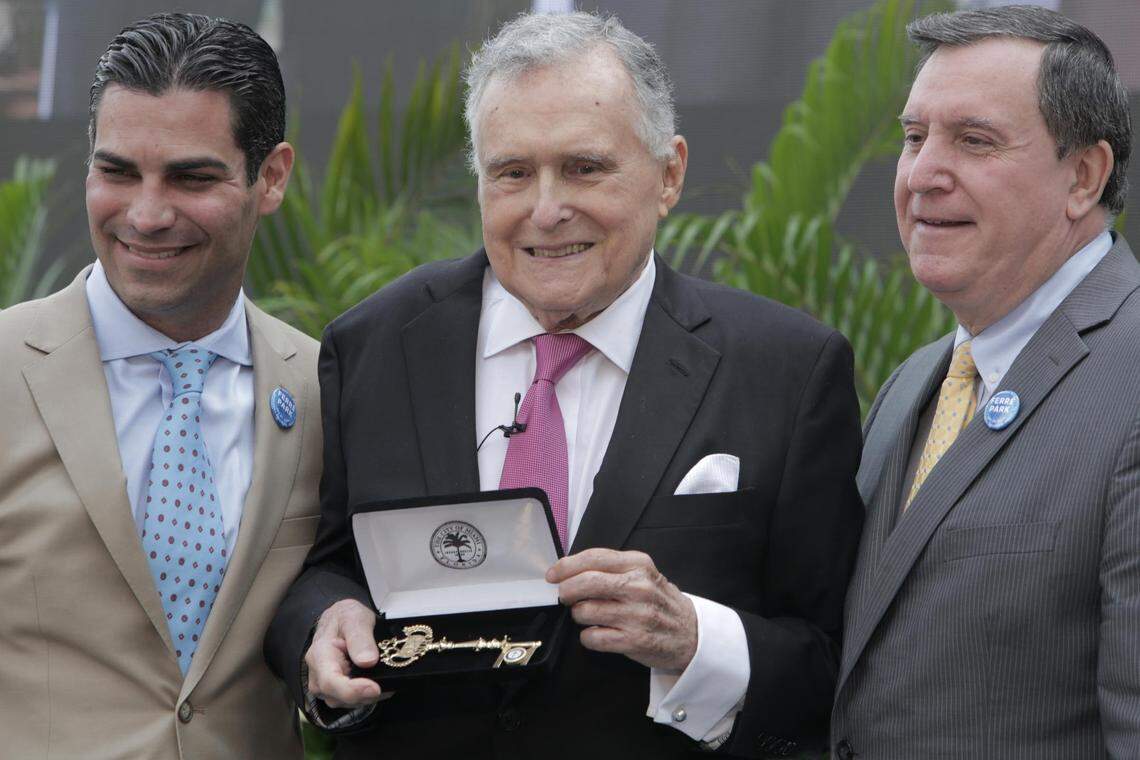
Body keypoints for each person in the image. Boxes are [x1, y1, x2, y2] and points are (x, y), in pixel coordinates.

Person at [265, 11, 863, 759]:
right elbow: (324, 566)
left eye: (584, 168)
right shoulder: (373, 345)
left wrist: (693, 639)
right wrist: (323, 625)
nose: (547, 210)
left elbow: (835, 659)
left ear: (668, 173)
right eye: (512, 173)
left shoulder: (787, 370)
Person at [0, 13, 322, 759]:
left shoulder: (322, 388)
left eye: (191, 177)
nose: (145, 215)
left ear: (270, 177)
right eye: (117, 172)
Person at [831, 5, 1137, 758]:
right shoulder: (914, 382)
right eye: (912, 138)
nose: (923, 175)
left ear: (1084, 175)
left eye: (974, 141)